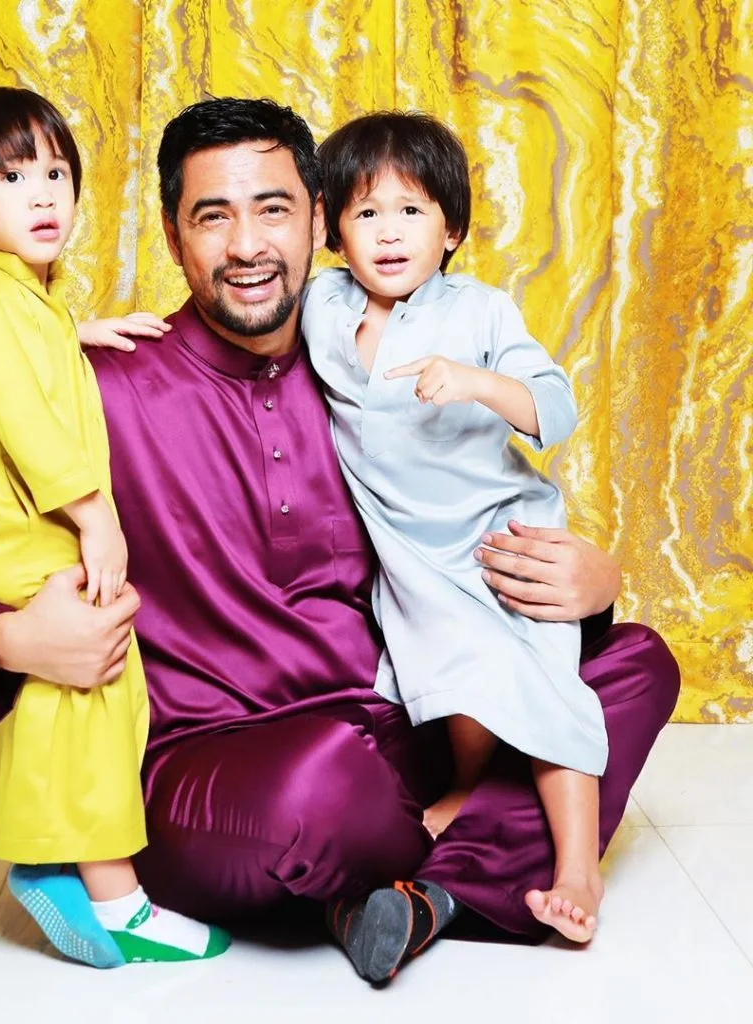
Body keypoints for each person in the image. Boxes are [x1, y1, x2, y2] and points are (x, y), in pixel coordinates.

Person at [0, 97, 679, 985]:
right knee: (319, 793)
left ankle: (404, 899)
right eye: (213, 217)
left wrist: (592, 585)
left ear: (317, 223)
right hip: (220, 769)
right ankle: (463, 867)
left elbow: (478, 526)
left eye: (274, 209)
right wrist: (8, 641)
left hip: (409, 716)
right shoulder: (102, 383)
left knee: (635, 666)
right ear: (173, 238)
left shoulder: (380, 374)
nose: (248, 245)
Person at [0, 85, 228, 967]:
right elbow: (24, 417)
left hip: (11, 542)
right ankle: (118, 899)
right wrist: (96, 518)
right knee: (98, 691)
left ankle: (47, 858)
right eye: (13, 178)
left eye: (56, 173)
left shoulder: (12, 294)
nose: (44, 195)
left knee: (55, 700)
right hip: (28, 540)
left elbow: (15, 357)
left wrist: (77, 334)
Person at [301, 112, 607, 944]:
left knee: (542, 680)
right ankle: (469, 790)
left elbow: (555, 408)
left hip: (500, 535)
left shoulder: (480, 310)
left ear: (452, 230)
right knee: (455, 664)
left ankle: (577, 871)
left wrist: (476, 381)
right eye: (366, 213)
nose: (388, 232)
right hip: (407, 546)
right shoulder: (321, 303)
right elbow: (233, 314)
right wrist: (80, 335)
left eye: (412, 211)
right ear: (333, 231)